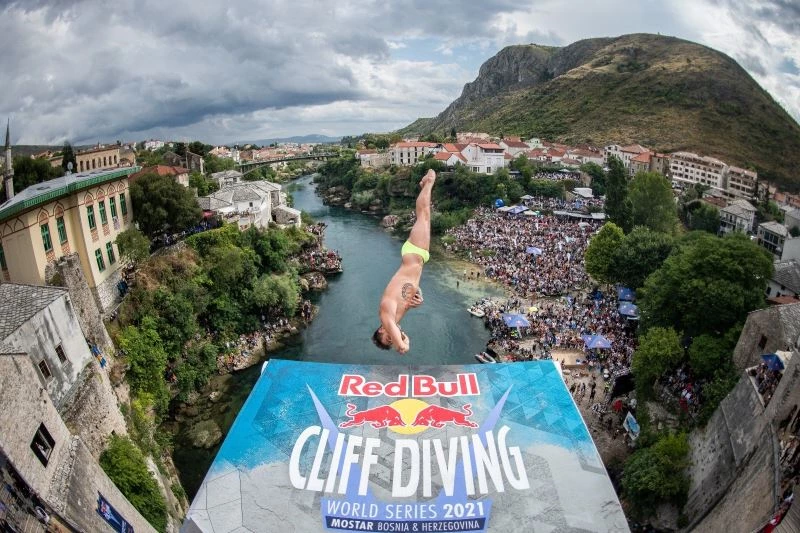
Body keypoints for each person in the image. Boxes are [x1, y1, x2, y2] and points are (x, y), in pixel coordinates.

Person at [373, 169, 435, 353]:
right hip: (418, 258)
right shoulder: (397, 315)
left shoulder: (386, 315)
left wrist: (403, 343)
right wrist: (418, 297)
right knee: (425, 215)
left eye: (387, 338)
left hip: (413, 255)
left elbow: (402, 348)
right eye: (391, 341)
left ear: (381, 329)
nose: (393, 338)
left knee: (423, 213)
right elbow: (408, 288)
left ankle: (428, 181)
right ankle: (425, 186)